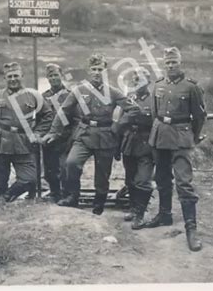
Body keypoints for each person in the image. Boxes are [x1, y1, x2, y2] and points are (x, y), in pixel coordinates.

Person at [42, 53, 140, 215]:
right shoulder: (79, 90)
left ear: (105, 70)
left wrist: (118, 126)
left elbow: (134, 109)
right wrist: (53, 132)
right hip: (84, 134)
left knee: (102, 174)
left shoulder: (114, 92)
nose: (96, 72)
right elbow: (63, 111)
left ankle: (99, 202)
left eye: (100, 69)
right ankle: (72, 196)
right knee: (71, 163)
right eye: (94, 69)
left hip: (105, 136)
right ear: (89, 70)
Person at [146, 47, 206, 252]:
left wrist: (193, 137)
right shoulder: (158, 85)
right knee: (161, 179)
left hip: (181, 138)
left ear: (180, 63)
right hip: (160, 136)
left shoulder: (191, 87)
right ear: (164, 64)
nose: (171, 66)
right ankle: (164, 215)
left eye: (174, 62)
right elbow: (155, 112)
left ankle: (191, 229)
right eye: (168, 63)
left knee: (184, 183)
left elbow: (199, 117)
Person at [0, 62, 53, 201]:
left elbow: (48, 115)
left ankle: (6, 197)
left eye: (16, 76)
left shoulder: (33, 96)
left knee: (30, 178)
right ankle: (0, 202)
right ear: (5, 78)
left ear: (22, 76)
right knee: (0, 181)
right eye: (9, 76)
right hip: (0, 142)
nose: (13, 79)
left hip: (24, 143)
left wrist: (38, 133)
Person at [115, 66, 155, 230]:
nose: (138, 82)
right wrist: (117, 148)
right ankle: (133, 208)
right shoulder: (128, 99)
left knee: (143, 181)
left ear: (149, 82)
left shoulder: (154, 101)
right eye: (135, 79)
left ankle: (140, 214)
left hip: (146, 145)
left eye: (142, 79)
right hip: (129, 144)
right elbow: (120, 123)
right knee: (130, 179)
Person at [41, 63, 73, 202]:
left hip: (66, 137)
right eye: (51, 76)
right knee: (50, 169)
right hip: (49, 138)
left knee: (65, 167)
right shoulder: (43, 96)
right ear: (47, 78)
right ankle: (55, 192)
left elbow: (77, 117)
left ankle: (67, 193)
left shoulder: (70, 95)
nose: (54, 78)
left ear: (62, 75)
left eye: (56, 75)